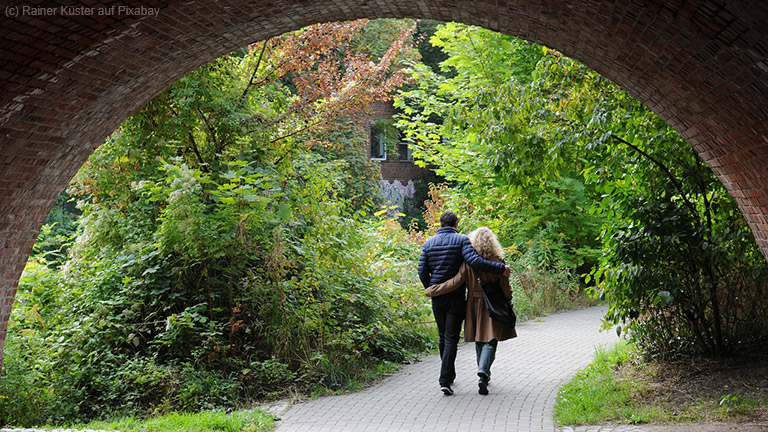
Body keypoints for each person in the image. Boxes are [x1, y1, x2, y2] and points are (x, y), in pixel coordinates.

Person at [418, 211, 510, 396]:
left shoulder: (428, 243)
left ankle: (448, 377)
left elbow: (422, 270)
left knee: (443, 336)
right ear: (456, 224)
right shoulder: (461, 240)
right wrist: (501, 268)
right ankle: (446, 379)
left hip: (438, 296)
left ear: (440, 224)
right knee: (452, 337)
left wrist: (431, 287)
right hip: (456, 297)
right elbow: (475, 261)